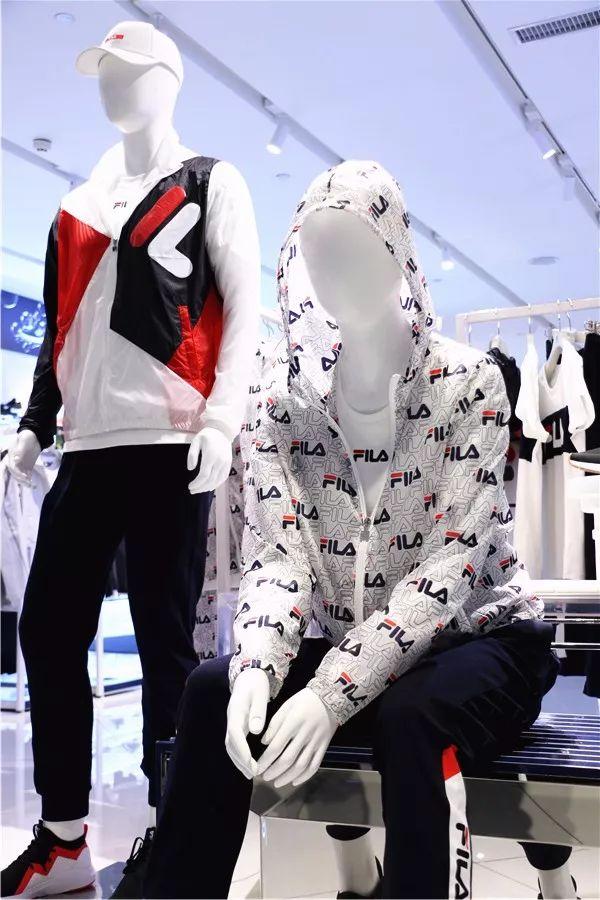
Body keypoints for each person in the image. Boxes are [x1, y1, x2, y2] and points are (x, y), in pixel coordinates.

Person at [143, 161, 559, 900]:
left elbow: (449, 569)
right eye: (319, 255)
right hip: (357, 644)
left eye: (356, 251)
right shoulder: (283, 403)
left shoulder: (471, 384)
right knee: (212, 689)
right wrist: (258, 667)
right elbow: (280, 558)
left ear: (399, 254)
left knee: (411, 716)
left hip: (483, 640)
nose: (336, 275)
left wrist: (330, 694)